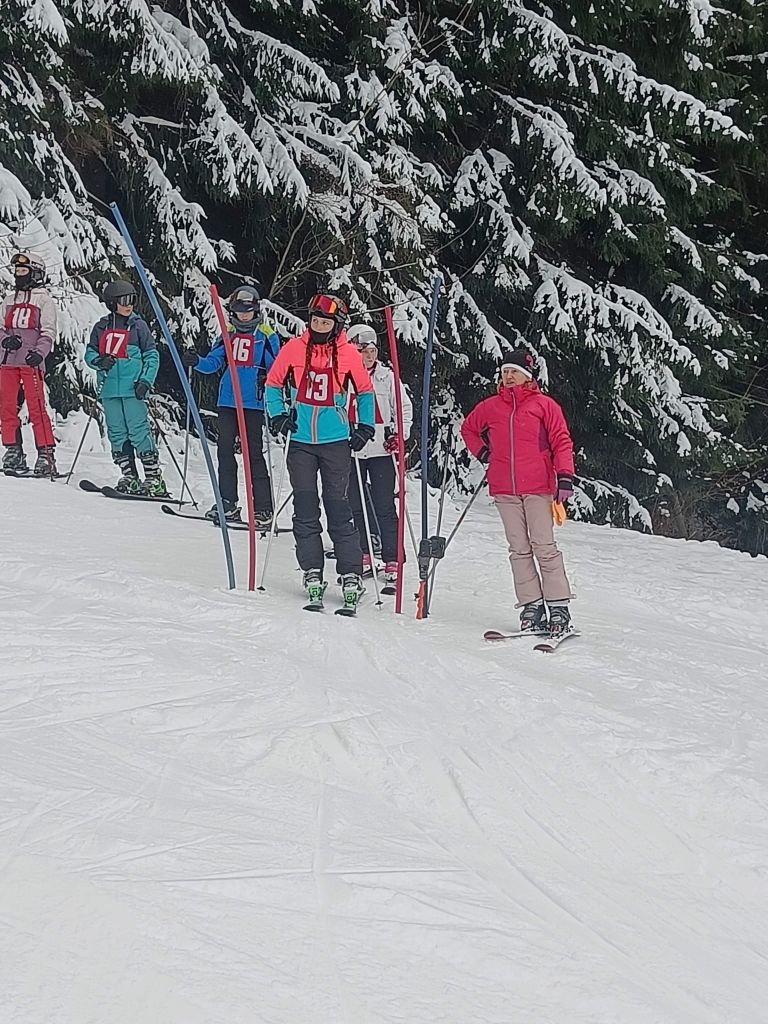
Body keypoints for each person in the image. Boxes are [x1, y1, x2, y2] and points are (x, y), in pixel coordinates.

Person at [265, 293, 375, 609]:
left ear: (337, 325)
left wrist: (365, 426)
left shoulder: (349, 354)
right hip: (300, 440)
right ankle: (312, 568)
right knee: (305, 505)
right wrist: (278, 415)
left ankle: (351, 572)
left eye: (325, 323)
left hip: (335, 440)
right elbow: (273, 383)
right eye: (315, 321)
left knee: (338, 506)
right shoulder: (293, 348)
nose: (319, 327)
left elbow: (365, 391)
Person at [461, 349, 575, 638]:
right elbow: (469, 429)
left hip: (538, 486)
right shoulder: (491, 406)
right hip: (505, 489)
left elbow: (561, 441)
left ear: (528, 376)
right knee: (519, 549)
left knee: (544, 546)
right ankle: (531, 606)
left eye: (514, 371)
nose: (509, 376)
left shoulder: (544, 405)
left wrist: (565, 476)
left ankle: (558, 606)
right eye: (505, 371)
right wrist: (484, 453)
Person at [182, 285, 279, 527]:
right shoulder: (228, 333)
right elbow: (214, 362)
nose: (243, 316)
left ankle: (263, 509)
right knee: (225, 452)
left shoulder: (266, 334)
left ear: (255, 310)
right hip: (227, 401)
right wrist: (196, 361)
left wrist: (267, 378)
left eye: (247, 311)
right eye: (239, 311)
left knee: (253, 454)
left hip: (253, 403)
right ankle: (227, 502)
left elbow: (278, 367)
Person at [84, 281, 168, 495]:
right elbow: (90, 353)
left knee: (139, 430)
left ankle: (154, 478)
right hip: (110, 389)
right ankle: (129, 475)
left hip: (133, 389)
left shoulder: (138, 326)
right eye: (123, 301)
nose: (128, 305)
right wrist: (99, 361)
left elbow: (151, 355)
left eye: (132, 300)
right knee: (117, 432)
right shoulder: (101, 327)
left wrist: (145, 381)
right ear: (112, 303)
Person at [346, 323, 413, 586]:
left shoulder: (386, 378)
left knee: (384, 504)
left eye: (372, 351)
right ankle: (362, 552)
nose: (369, 356)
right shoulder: (343, 376)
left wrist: (399, 435)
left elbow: (404, 409)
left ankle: (392, 557)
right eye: (363, 351)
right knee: (355, 503)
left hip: (380, 450)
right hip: (351, 449)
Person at [0, 252, 58, 476]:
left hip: (30, 361)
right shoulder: (9, 300)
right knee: (7, 406)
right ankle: (13, 450)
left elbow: (48, 331)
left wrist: (40, 353)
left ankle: (45, 453)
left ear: (35, 274)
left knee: (36, 407)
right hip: (8, 362)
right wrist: (5, 340)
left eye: (24, 271)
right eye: (17, 271)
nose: (19, 275)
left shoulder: (43, 300)